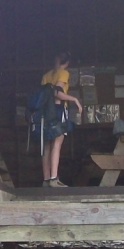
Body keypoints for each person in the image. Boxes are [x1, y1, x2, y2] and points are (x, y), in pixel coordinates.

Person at [40, 51, 82, 188]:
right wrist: (74, 99)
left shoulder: (46, 75)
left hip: (45, 112)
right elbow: (57, 93)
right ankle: (54, 179)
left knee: (46, 145)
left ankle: (46, 180)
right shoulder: (63, 73)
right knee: (57, 143)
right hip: (58, 111)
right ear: (67, 63)